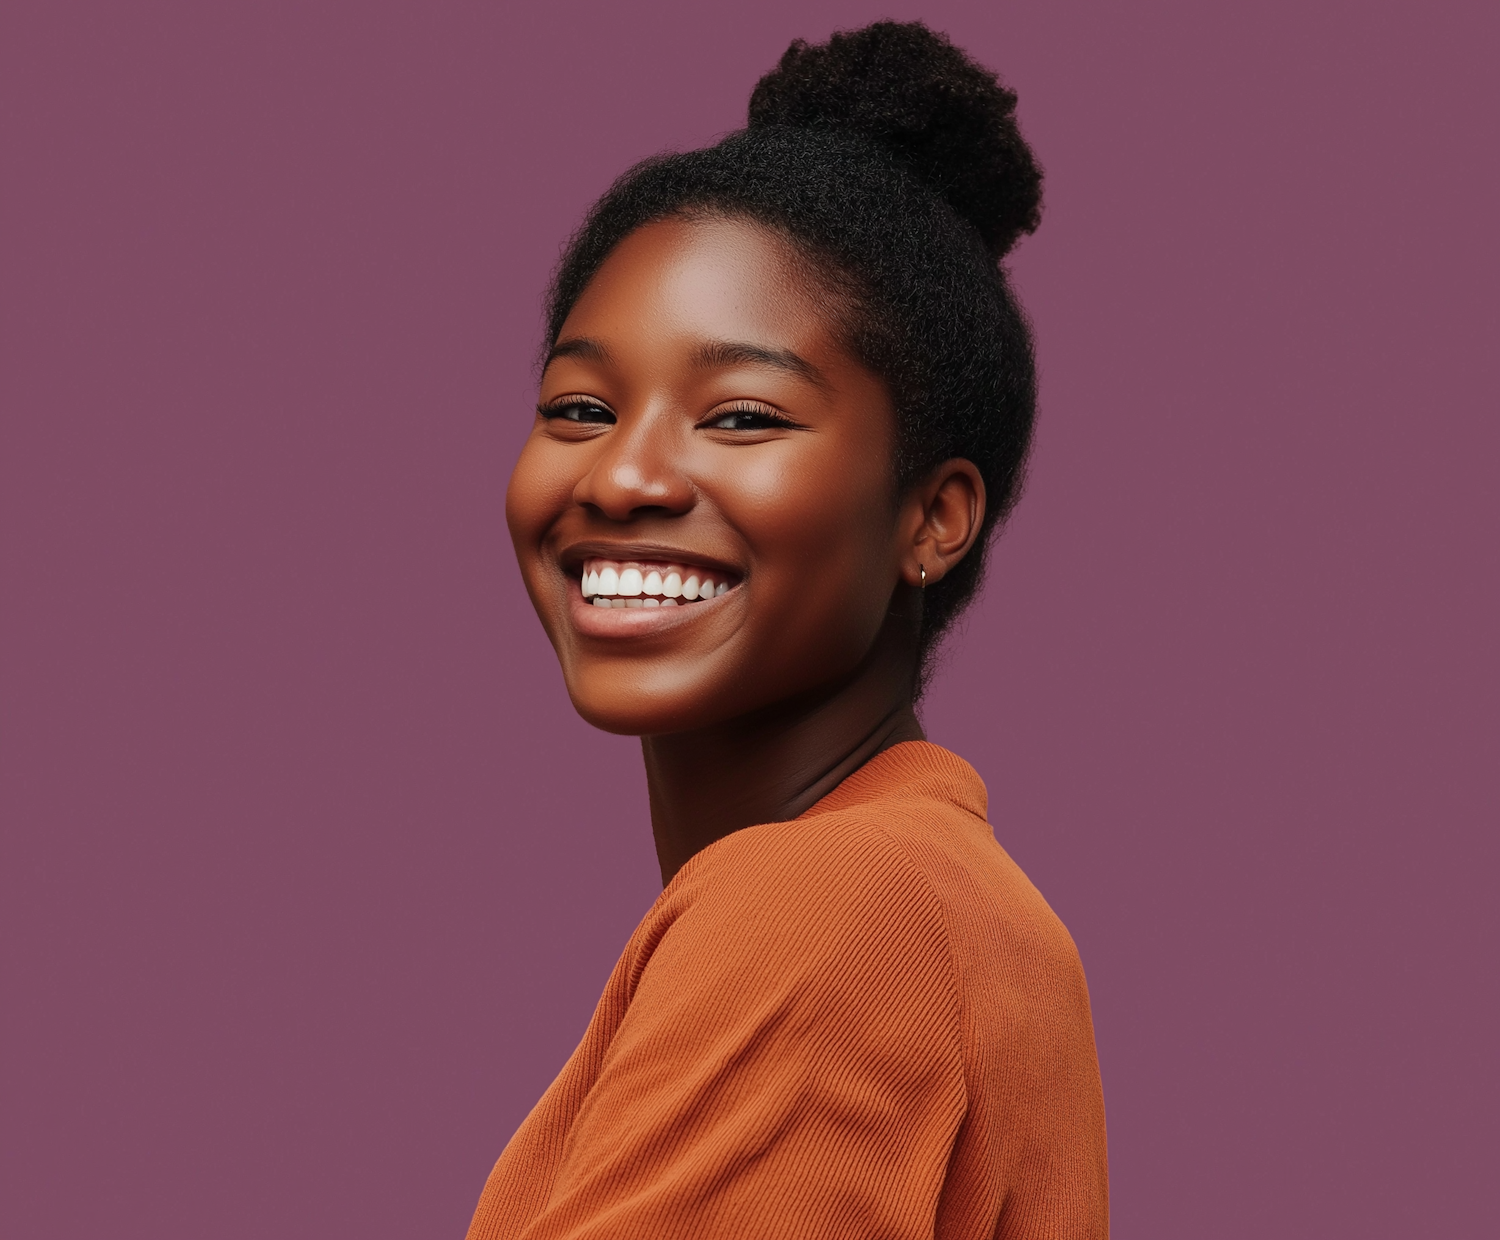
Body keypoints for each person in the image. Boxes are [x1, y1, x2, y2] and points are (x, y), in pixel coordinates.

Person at [468, 20, 1108, 1239]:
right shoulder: (974, 910)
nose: (623, 474)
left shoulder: (835, 909)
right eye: (582, 405)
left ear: (933, 517)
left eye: (745, 415)